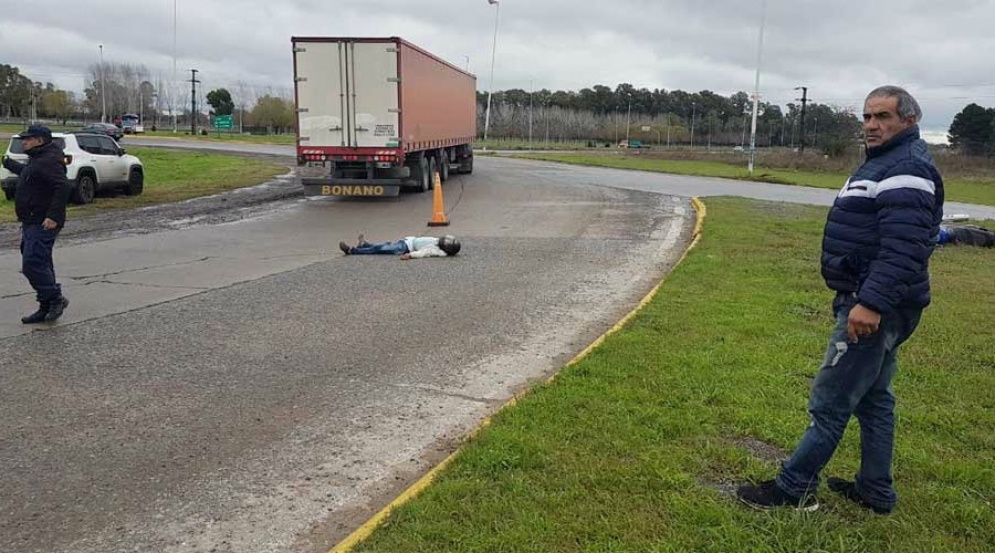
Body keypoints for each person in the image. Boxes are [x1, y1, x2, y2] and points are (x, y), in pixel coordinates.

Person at [736, 86, 944, 514]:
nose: (871, 125)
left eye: (883, 116)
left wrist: (869, 304)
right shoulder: (885, 163)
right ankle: (875, 490)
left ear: (908, 120)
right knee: (874, 398)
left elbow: (903, 249)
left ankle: (793, 489)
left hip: (874, 306)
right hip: (875, 299)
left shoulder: (906, 169)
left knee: (830, 401)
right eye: (867, 117)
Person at [2, 125, 72, 323]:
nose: (23, 141)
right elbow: (31, 174)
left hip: (43, 221)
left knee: (32, 264)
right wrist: (9, 164)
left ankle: (55, 299)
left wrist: (54, 216)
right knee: (41, 262)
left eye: (27, 139)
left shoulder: (48, 159)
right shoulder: (39, 158)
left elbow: (63, 186)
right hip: (31, 220)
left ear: (39, 140)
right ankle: (46, 306)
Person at [339, 234, 461, 259]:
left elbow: (423, 253)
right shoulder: (437, 241)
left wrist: (410, 255)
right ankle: (364, 245)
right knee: (383, 245)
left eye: (447, 243)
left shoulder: (437, 250)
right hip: (407, 241)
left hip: (405, 248)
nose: (445, 240)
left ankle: (352, 251)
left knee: (380, 249)